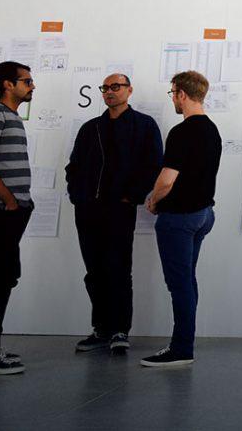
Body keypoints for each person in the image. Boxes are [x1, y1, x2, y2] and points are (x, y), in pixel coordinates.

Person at [66, 73, 163, 354]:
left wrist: (130, 196)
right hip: (87, 209)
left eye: (116, 87)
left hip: (119, 209)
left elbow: (153, 164)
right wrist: (78, 196)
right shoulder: (90, 128)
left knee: (119, 270)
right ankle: (101, 329)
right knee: (94, 272)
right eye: (105, 88)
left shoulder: (144, 125)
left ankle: (120, 330)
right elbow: (73, 166)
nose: (110, 92)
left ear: (129, 90)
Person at [140, 71, 221, 368]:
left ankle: (181, 348)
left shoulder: (182, 131)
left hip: (180, 217)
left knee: (180, 284)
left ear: (182, 94)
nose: (173, 98)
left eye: (173, 92)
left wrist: (154, 199)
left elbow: (166, 180)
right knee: (187, 280)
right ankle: (184, 343)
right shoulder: (212, 129)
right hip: (203, 215)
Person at [0, 61, 34, 375]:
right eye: (27, 81)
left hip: (12, 211)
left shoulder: (12, 116)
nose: (32, 86)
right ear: (8, 84)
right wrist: (8, 200)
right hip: (0, 212)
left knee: (4, 277)